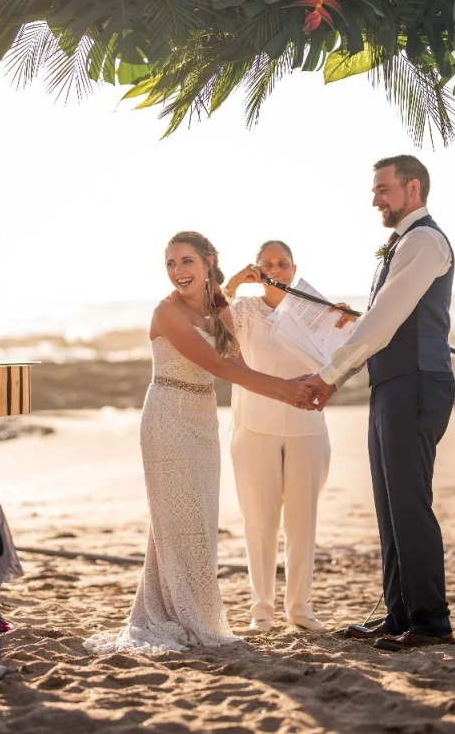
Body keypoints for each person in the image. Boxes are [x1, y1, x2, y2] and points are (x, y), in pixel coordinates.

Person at [84, 231, 314, 655]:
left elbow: (237, 362)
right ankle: (181, 617)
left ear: (209, 261)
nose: (177, 272)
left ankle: (182, 611)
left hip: (204, 419)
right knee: (177, 520)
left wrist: (292, 382)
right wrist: (285, 389)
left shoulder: (218, 308)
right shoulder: (166, 313)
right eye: (171, 264)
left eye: (186, 261)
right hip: (167, 416)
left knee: (200, 522)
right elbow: (213, 365)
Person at [306, 155, 455, 651]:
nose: (375, 198)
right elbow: (380, 319)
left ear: (413, 189)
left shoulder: (425, 241)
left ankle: (431, 622)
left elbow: (385, 320)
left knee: (409, 502)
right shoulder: (402, 244)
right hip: (391, 381)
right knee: (389, 502)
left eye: (383, 189)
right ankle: (399, 614)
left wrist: (329, 377)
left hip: (416, 381)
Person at [224, 241, 335, 633]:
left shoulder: (316, 310)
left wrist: (342, 324)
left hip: (307, 427)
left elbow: (341, 355)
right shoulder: (243, 310)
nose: (276, 269)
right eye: (268, 263)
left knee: (303, 522)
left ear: (293, 268)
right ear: (258, 269)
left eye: (282, 263)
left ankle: (300, 611)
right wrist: (233, 284)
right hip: (254, 427)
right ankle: (261, 611)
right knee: (259, 520)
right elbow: (205, 326)